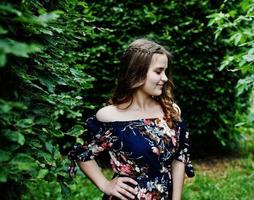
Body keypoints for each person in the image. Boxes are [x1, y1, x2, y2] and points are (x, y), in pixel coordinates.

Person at [68, 38, 194, 200]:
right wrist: (104, 184)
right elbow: (81, 152)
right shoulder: (110, 117)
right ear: (138, 72)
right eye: (158, 71)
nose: (164, 78)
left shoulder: (170, 111)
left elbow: (179, 157)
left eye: (165, 72)